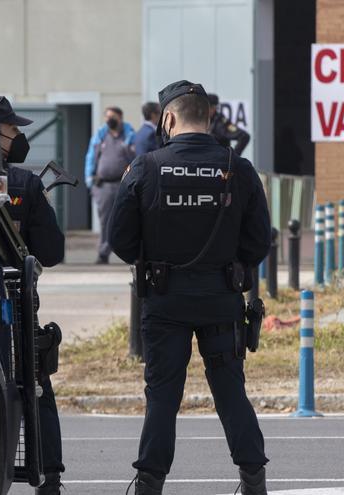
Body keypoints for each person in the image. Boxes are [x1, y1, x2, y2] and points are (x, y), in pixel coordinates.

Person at [108, 81, 271, 495]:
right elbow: (258, 243)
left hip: (164, 301)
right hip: (222, 300)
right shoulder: (240, 168)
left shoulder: (146, 167)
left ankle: (149, 484)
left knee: (162, 396)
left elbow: (121, 241)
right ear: (209, 117)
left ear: (168, 118)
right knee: (231, 390)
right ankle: (254, 482)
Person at [0, 95, 66, 494]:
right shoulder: (24, 183)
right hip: (15, 309)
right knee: (36, 387)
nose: (19, 136)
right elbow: (53, 253)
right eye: (12, 129)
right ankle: (50, 480)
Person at [84, 106, 135, 264]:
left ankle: (130, 254)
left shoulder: (129, 136)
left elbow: (136, 157)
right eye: (107, 117)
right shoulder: (100, 136)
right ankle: (103, 253)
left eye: (112, 117)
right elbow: (90, 158)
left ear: (120, 118)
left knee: (128, 220)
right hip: (103, 186)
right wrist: (90, 180)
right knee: (105, 220)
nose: (109, 120)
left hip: (124, 185)